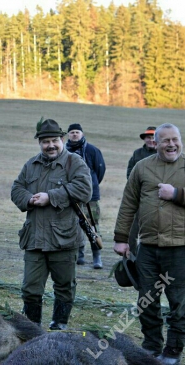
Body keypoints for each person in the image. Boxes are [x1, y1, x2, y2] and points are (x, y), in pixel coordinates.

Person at [113, 123, 185, 364]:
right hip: (148, 247)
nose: (171, 144)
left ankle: (173, 351)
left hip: (180, 248)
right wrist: (122, 239)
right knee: (147, 300)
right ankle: (152, 346)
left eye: (175, 139)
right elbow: (128, 204)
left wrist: (176, 194)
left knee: (180, 302)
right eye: (166, 140)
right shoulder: (141, 168)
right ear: (156, 143)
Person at [11, 118, 92, 329]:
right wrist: (28, 199)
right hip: (34, 238)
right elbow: (16, 189)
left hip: (63, 238)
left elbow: (84, 190)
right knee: (30, 288)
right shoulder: (31, 165)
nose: (51, 145)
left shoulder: (74, 163)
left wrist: (51, 196)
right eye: (45, 141)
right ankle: (32, 328)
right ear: (39, 143)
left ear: (62, 139)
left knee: (64, 286)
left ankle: (59, 324)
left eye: (55, 140)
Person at [66, 123, 105, 269]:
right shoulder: (63, 151)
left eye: (77, 132)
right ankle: (79, 255)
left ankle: (97, 256)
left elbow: (100, 170)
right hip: (71, 195)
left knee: (93, 225)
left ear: (82, 134)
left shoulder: (92, 150)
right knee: (74, 224)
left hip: (91, 196)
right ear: (68, 135)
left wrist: (91, 186)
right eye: (72, 132)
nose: (74, 134)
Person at [126, 126, 157, 255]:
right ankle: (131, 258)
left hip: (157, 200)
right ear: (144, 139)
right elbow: (130, 173)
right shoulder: (137, 153)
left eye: (153, 137)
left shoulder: (163, 154)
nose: (150, 140)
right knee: (132, 232)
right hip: (138, 198)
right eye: (148, 137)